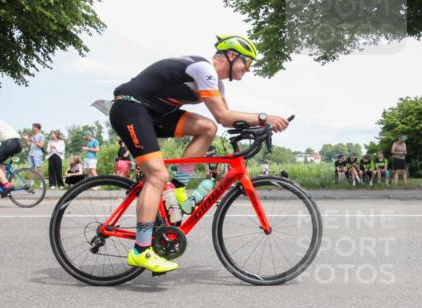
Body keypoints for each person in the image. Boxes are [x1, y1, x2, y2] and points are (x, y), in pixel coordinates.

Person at [108, 34, 289, 274]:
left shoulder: (217, 84)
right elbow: (225, 116)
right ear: (231, 56)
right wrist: (264, 117)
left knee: (207, 129)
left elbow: (222, 120)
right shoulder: (204, 69)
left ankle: (178, 186)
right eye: (247, 62)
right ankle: (141, 250)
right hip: (130, 108)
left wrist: (259, 128)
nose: (249, 69)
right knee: (156, 177)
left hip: (153, 113)